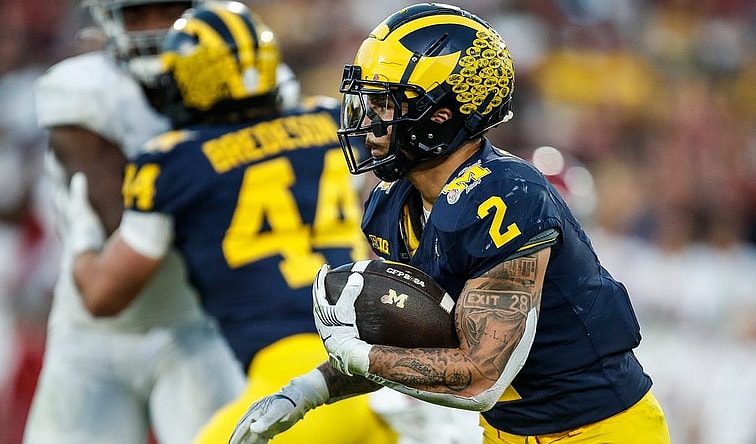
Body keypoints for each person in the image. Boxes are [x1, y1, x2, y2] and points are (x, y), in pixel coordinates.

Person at [230, 3, 671, 444]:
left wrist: (363, 356)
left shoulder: (505, 197)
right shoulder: (390, 204)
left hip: (602, 431)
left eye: (384, 103)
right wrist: (307, 391)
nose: (367, 122)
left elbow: (480, 377)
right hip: (504, 433)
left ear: (440, 114)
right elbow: (406, 349)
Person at [64, 3, 398, 444]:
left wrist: (81, 238)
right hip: (385, 365)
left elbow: (103, 295)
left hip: (298, 382)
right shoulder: (324, 121)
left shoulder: (173, 161)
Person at [23, 1, 246, 443]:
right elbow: (119, 228)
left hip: (196, 323)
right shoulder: (83, 89)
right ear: (109, 20)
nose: (156, 30)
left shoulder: (247, 75)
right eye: (137, 15)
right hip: (93, 335)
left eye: (168, 11)